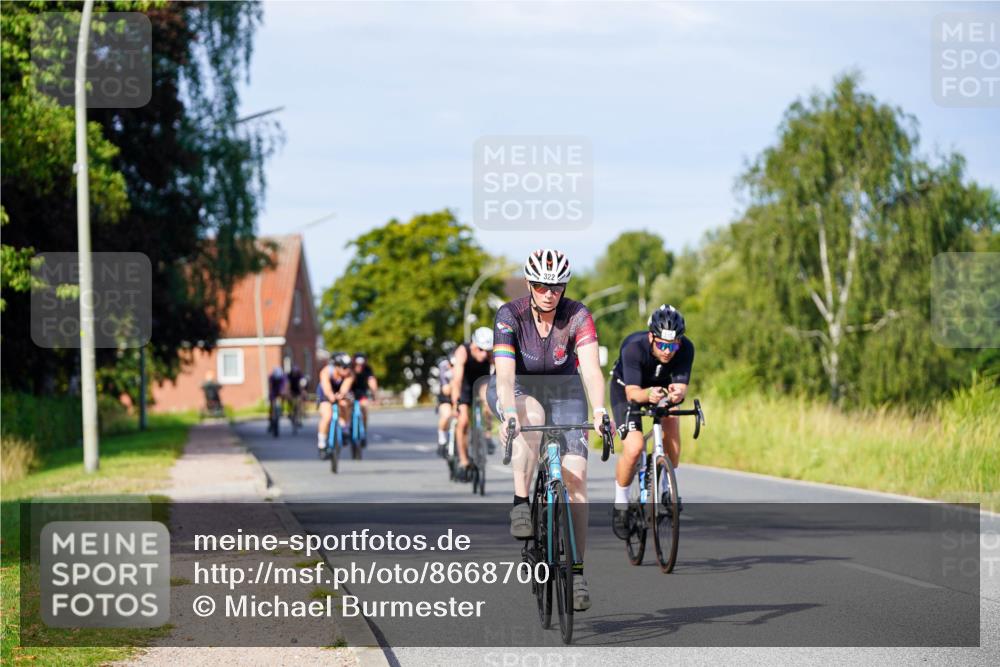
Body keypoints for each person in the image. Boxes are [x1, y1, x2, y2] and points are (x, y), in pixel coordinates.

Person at [486, 249, 611, 612]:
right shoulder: (510, 315)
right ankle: (521, 503)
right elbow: (504, 375)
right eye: (541, 285)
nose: (548, 293)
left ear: (564, 287)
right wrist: (509, 412)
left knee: (577, 479)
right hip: (519, 389)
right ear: (529, 284)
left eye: (556, 287)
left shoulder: (578, 315)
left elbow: (591, 370)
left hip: (565, 391)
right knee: (532, 414)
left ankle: (577, 571)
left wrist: (600, 410)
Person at [609, 305, 695, 539]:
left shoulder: (686, 348)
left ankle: (667, 488)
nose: (668, 352)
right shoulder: (633, 347)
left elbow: (681, 387)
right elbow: (633, 394)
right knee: (635, 447)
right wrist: (648, 395)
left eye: (673, 346)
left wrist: (677, 394)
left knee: (672, 417)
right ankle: (621, 504)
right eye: (662, 345)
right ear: (651, 337)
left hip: (659, 390)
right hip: (628, 391)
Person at [450, 327, 494, 480]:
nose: (484, 354)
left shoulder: (490, 354)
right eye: (480, 349)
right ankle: (463, 461)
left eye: (487, 351)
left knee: (489, 402)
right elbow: (456, 380)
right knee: (463, 422)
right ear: (473, 344)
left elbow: (501, 371)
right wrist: (456, 404)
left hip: (482, 382)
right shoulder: (463, 351)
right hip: (465, 385)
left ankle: (487, 435)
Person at [316, 352, 355, 454]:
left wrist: (341, 395)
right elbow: (326, 388)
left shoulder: (350, 374)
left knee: (345, 404)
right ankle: (321, 443)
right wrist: (331, 396)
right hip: (325, 392)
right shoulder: (326, 371)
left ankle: (345, 428)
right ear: (336, 366)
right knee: (327, 416)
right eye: (344, 367)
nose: (347, 370)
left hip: (339, 392)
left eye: (349, 367)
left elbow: (345, 388)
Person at [351, 353, 378, 443]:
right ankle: (346, 428)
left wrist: (374, 395)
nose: (359, 367)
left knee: (364, 409)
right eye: (357, 364)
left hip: (362, 393)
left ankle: (363, 432)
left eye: (361, 365)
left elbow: (372, 381)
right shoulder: (349, 368)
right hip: (350, 392)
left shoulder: (367, 369)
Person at [435, 355, 455, 457]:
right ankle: (442, 439)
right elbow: (446, 390)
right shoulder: (444, 367)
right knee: (447, 415)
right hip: (446, 398)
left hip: (462, 396)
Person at [267, 366, 288, 434]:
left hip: (280, 391)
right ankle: (271, 419)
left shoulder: (283, 377)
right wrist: (271, 397)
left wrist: (283, 392)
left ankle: (282, 408)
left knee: (283, 396)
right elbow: (270, 387)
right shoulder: (271, 377)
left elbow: (285, 386)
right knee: (272, 405)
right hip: (273, 391)